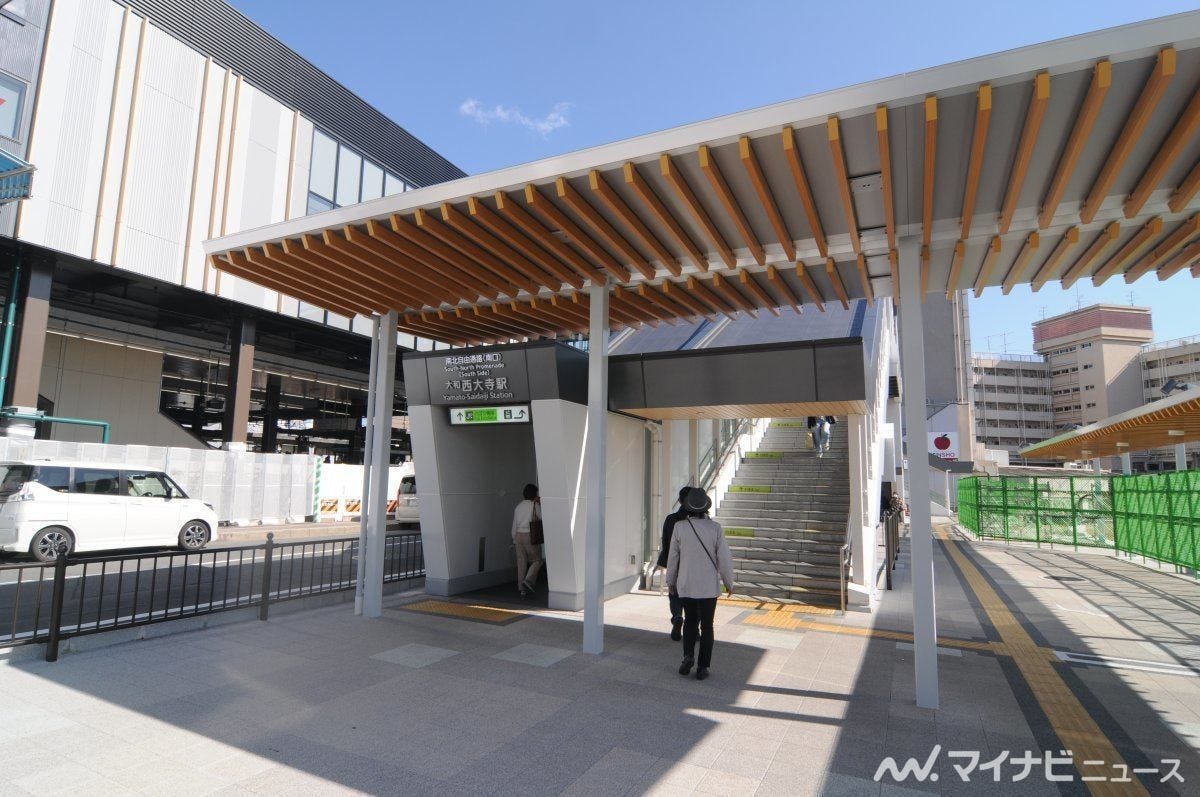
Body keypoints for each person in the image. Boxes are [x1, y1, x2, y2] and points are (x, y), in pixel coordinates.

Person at [665, 487, 735, 681]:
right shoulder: (715, 528)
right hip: (708, 588)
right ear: (706, 508)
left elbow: (673, 558)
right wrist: (729, 582)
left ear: (687, 507)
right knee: (707, 626)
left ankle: (687, 656)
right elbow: (725, 559)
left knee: (690, 622)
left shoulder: (680, 527)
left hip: (686, 584)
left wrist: (670, 581)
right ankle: (703, 667)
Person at [657, 486, 693, 641]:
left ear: (679, 500)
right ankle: (694, 630)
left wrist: (666, 560)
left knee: (674, 593)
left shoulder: (671, 519)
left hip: (674, 562)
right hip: (692, 563)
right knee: (692, 596)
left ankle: (677, 616)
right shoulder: (699, 520)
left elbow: (665, 541)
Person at [511, 483, 543, 596]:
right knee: (537, 560)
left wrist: (514, 538)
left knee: (521, 562)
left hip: (518, 535)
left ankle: (522, 589)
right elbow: (541, 517)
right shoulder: (534, 505)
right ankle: (528, 580)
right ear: (534, 494)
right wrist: (540, 503)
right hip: (530, 535)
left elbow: (514, 524)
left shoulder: (518, 506)